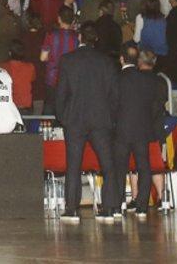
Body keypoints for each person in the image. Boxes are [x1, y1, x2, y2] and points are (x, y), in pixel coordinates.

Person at [54, 23, 120, 222]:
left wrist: (63, 117)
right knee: (108, 165)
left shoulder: (68, 60)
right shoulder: (107, 62)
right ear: (96, 39)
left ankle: (72, 208)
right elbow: (114, 95)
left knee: (73, 165)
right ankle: (110, 208)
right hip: (101, 119)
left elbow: (61, 94)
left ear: (79, 37)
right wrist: (111, 117)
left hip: (75, 119)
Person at [113, 43, 165, 217]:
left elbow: (112, 105)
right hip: (143, 128)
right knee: (144, 166)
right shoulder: (149, 79)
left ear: (121, 59)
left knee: (119, 168)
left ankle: (118, 204)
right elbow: (154, 105)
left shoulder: (116, 78)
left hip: (121, 129)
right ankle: (142, 205)